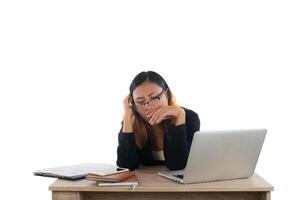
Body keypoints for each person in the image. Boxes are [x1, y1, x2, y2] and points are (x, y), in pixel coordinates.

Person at [116, 71, 200, 170]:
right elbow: (126, 167)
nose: (149, 106)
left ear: (167, 94)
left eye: (155, 97)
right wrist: (127, 116)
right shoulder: (133, 121)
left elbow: (178, 165)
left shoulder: (189, 118)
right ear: (133, 104)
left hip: (178, 184)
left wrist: (179, 117)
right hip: (146, 183)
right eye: (140, 102)